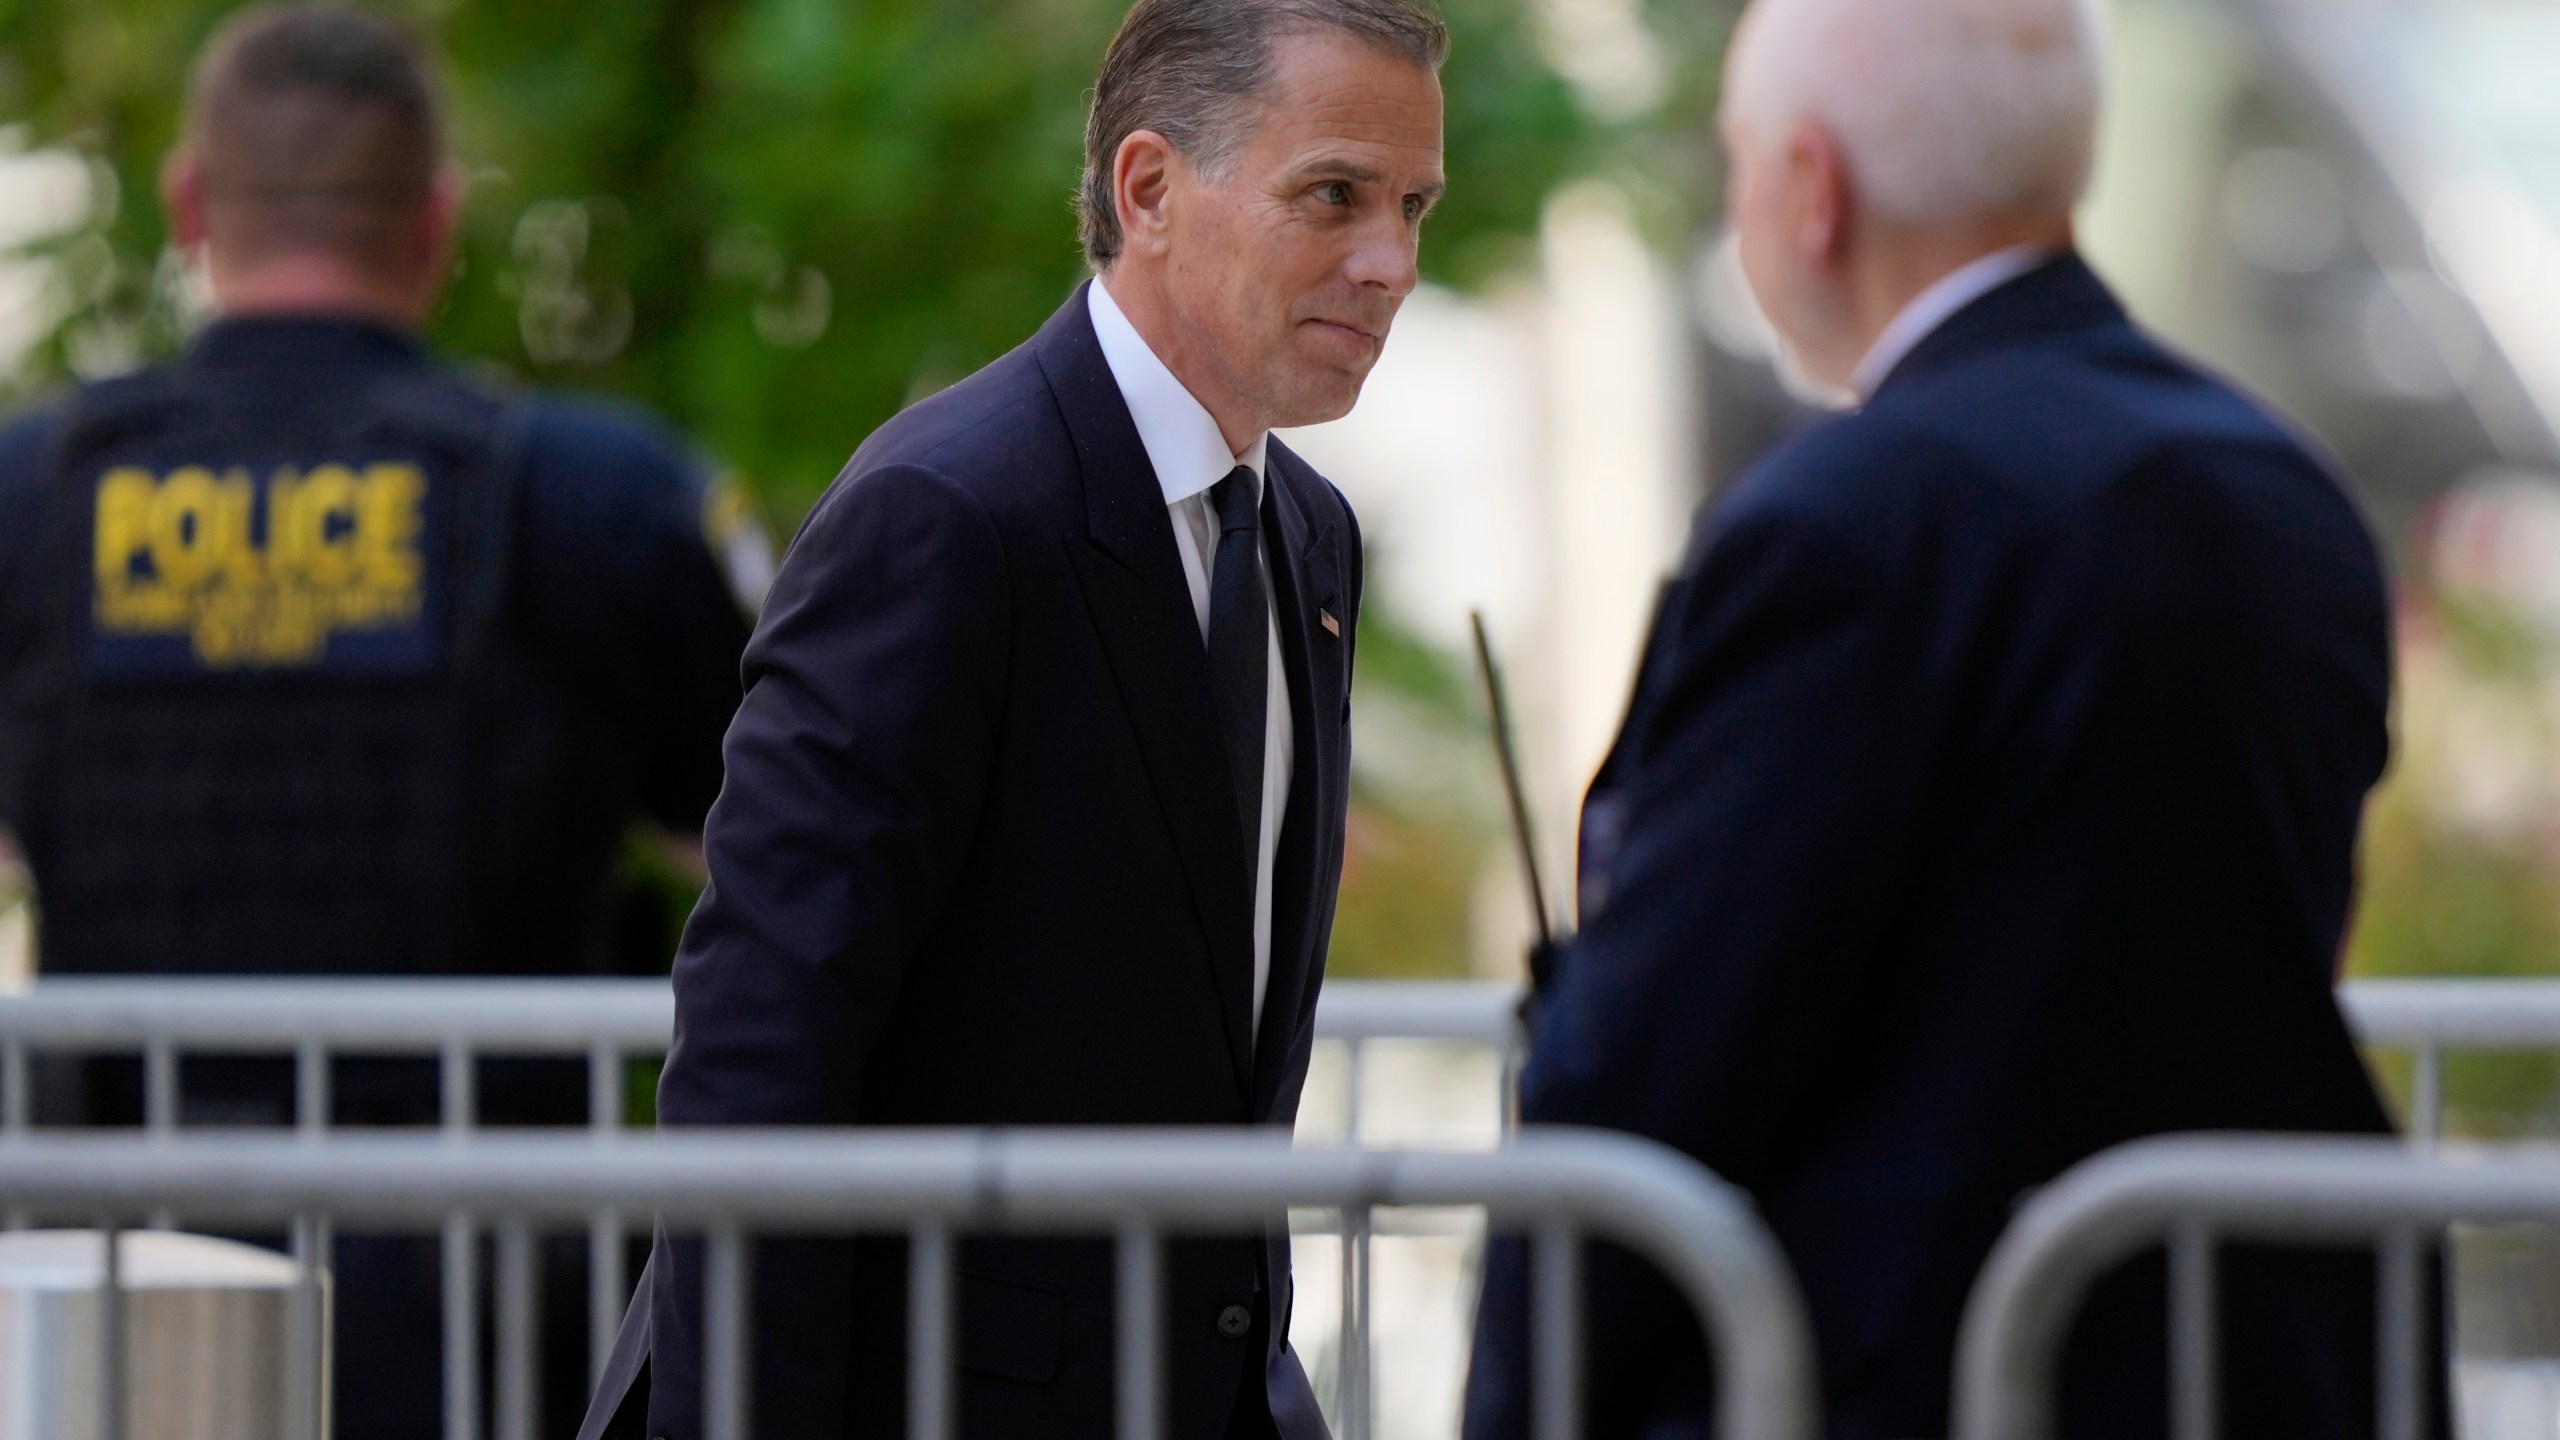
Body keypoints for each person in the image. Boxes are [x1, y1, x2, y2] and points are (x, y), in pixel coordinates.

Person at [1464, 0, 2413, 1436]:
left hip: (1914, 1373)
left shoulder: (1846, 521)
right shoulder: (2281, 486)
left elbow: (1667, 1058)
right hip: (2269, 1360)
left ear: (1810, 185)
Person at [576, 0, 1443, 1434]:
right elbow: (762, 1046)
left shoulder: (1310, 537)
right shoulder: (949, 513)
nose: (1391, 262)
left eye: (1413, 205)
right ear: (1150, 190)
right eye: (1335, 195)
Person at [0, 8, 756, 1438]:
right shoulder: (598, 497)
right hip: (498, 1315)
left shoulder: (32, 499)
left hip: (108, 1311)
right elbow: (788, 857)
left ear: (185, 208)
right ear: (437, 217)